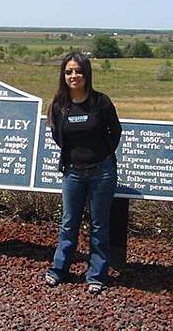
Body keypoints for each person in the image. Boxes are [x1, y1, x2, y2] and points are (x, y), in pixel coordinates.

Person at [45, 51, 122, 294]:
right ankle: (59, 270)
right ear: (63, 75)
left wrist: (101, 156)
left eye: (78, 71)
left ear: (86, 73)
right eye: (69, 71)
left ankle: (96, 275)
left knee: (100, 225)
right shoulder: (59, 106)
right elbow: (58, 137)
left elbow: (115, 132)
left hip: (102, 172)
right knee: (69, 223)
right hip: (73, 173)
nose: (74, 75)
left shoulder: (101, 102)